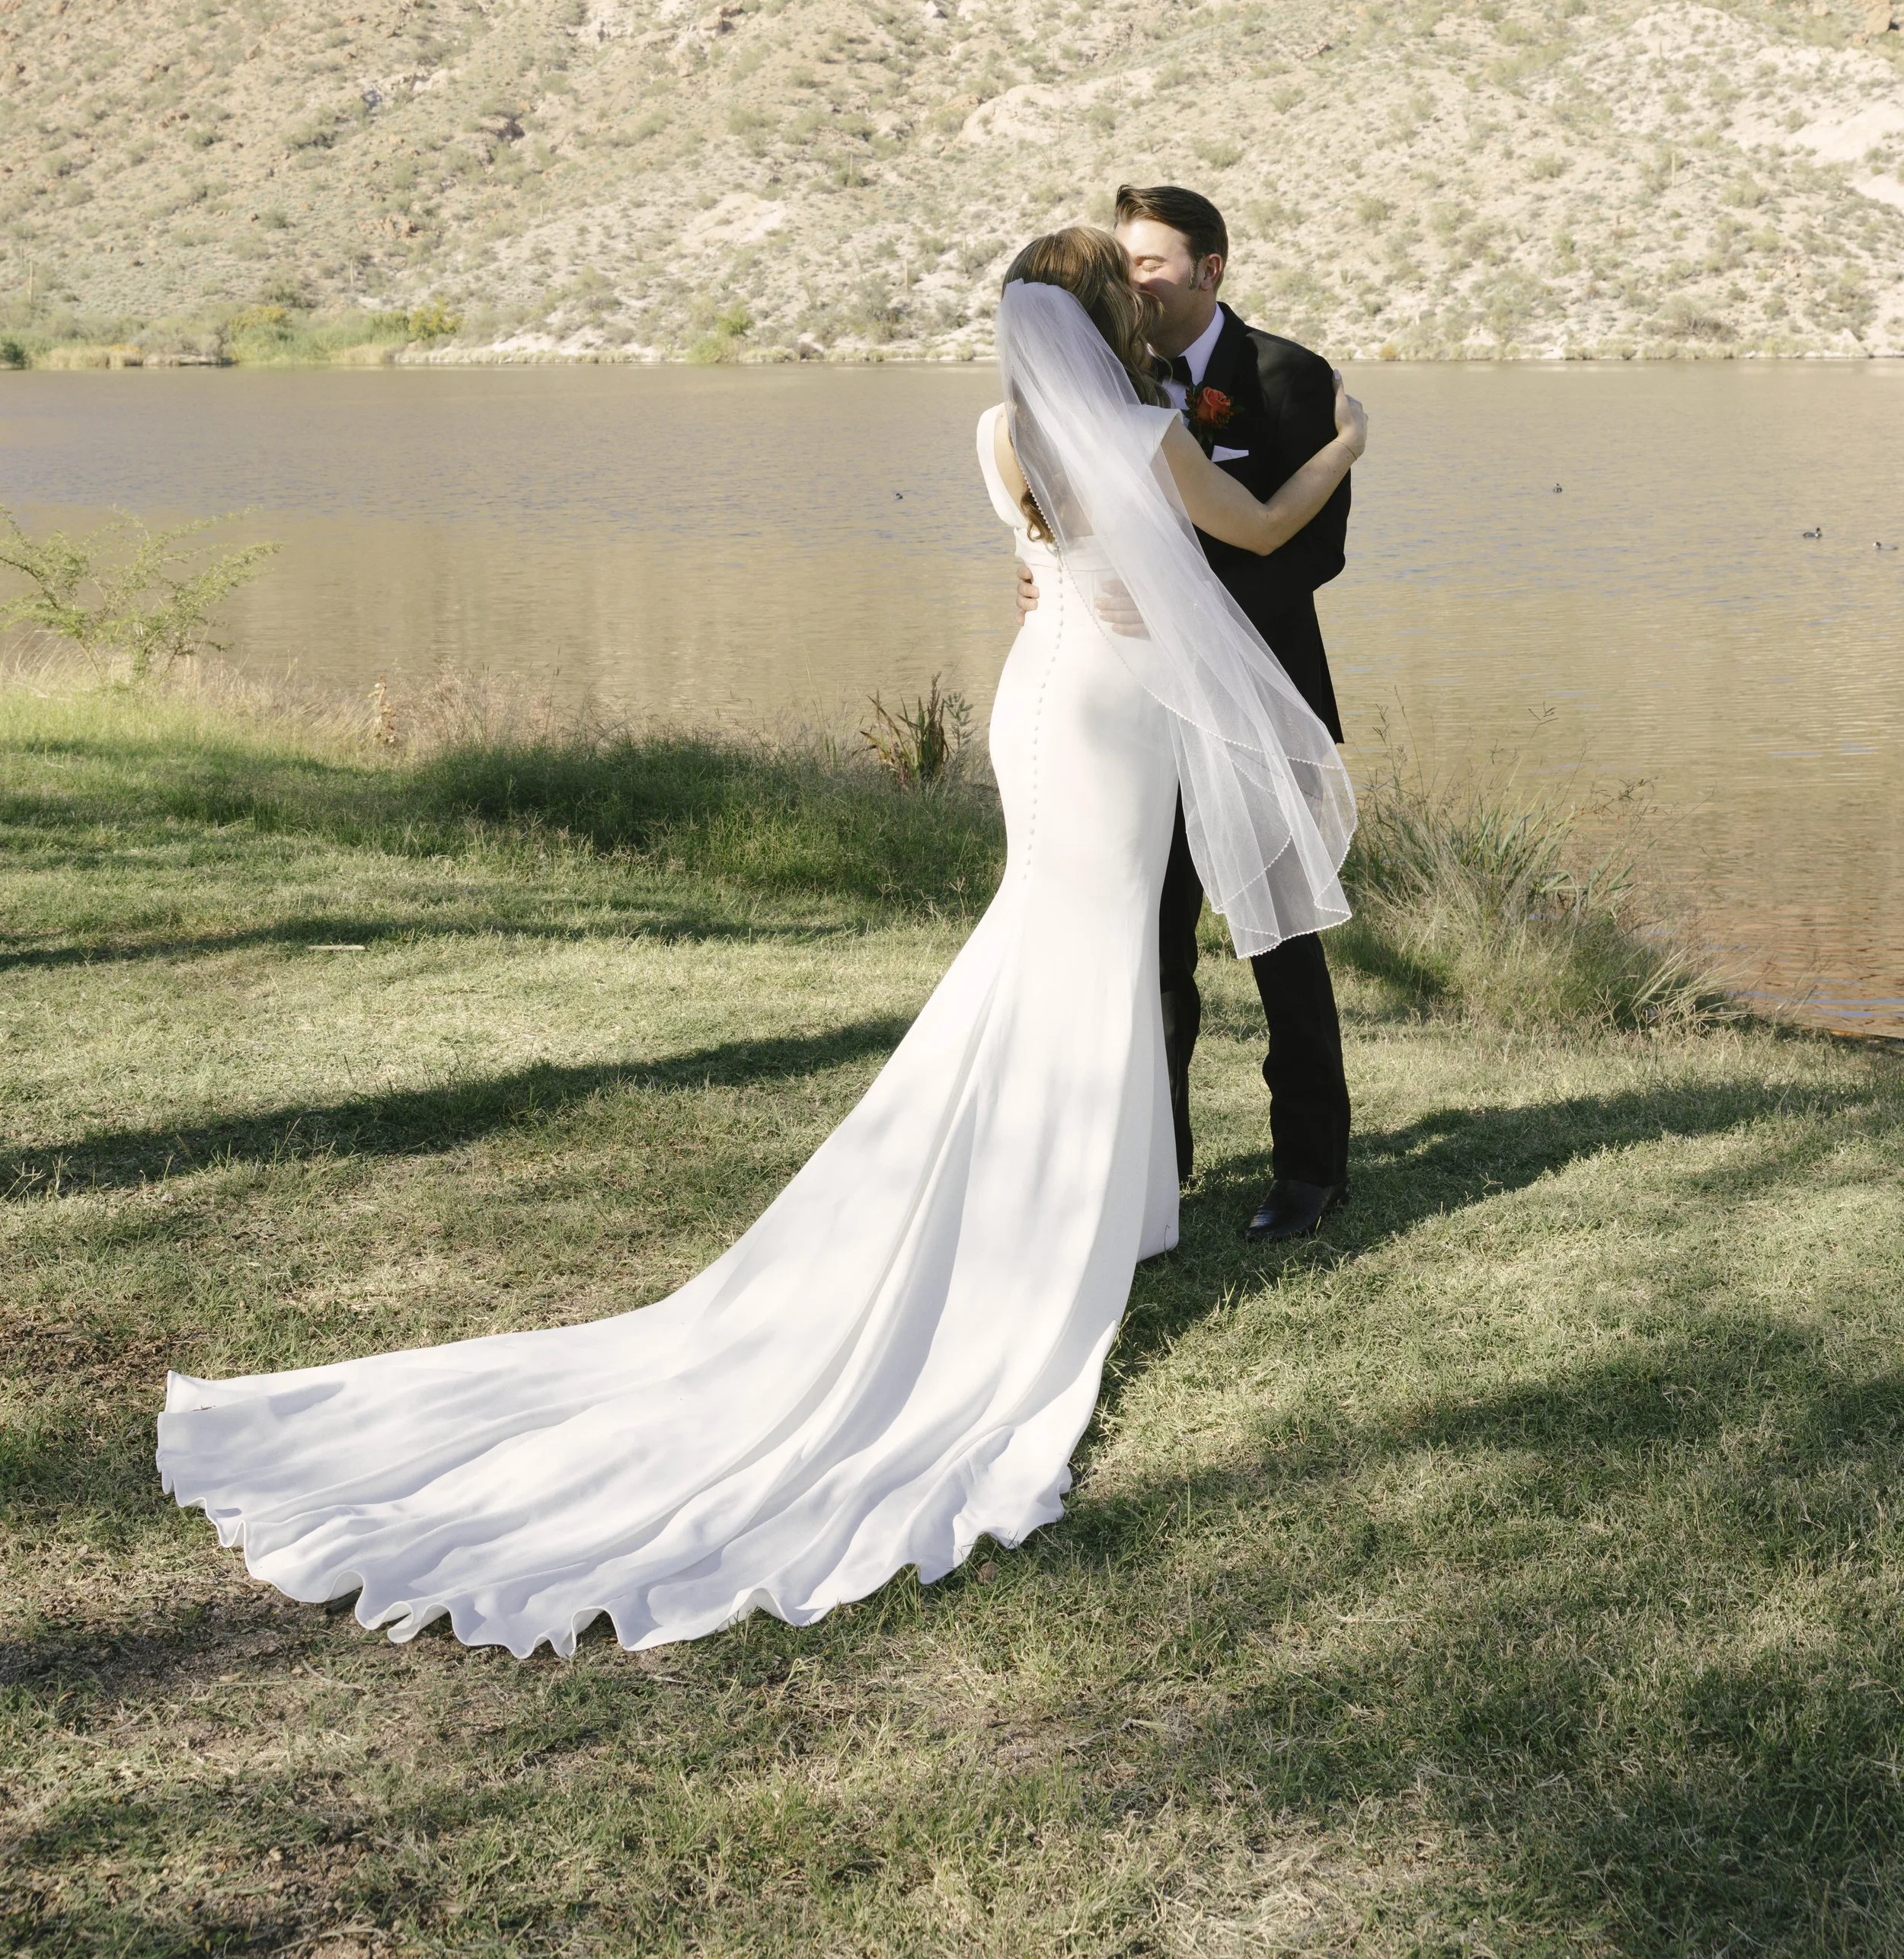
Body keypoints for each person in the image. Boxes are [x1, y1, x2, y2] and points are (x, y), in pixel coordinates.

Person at [158, 228, 1364, 1662]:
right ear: (1110, 316)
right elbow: (1262, 532)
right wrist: (1346, 445)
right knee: (1089, 949)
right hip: (1113, 712)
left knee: (1053, 940)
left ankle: (1109, 1203)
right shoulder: (1147, 431)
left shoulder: (1001, 432)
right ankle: (1065, 1223)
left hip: (1041, 692)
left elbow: (1051, 554)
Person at [1017, 184, 1354, 1240]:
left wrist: (1178, 609)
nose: (1134, 283)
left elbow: (1313, 550)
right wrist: (1055, 580)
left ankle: (1311, 1169)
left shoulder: (1290, 377)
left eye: (1151, 264)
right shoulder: (1106, 387)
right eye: (1121, 266)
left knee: (1283, 943)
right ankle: (1156, 1169)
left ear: (1210, 269)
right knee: (1153, 949)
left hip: (1257, 700)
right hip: (1132, 716)